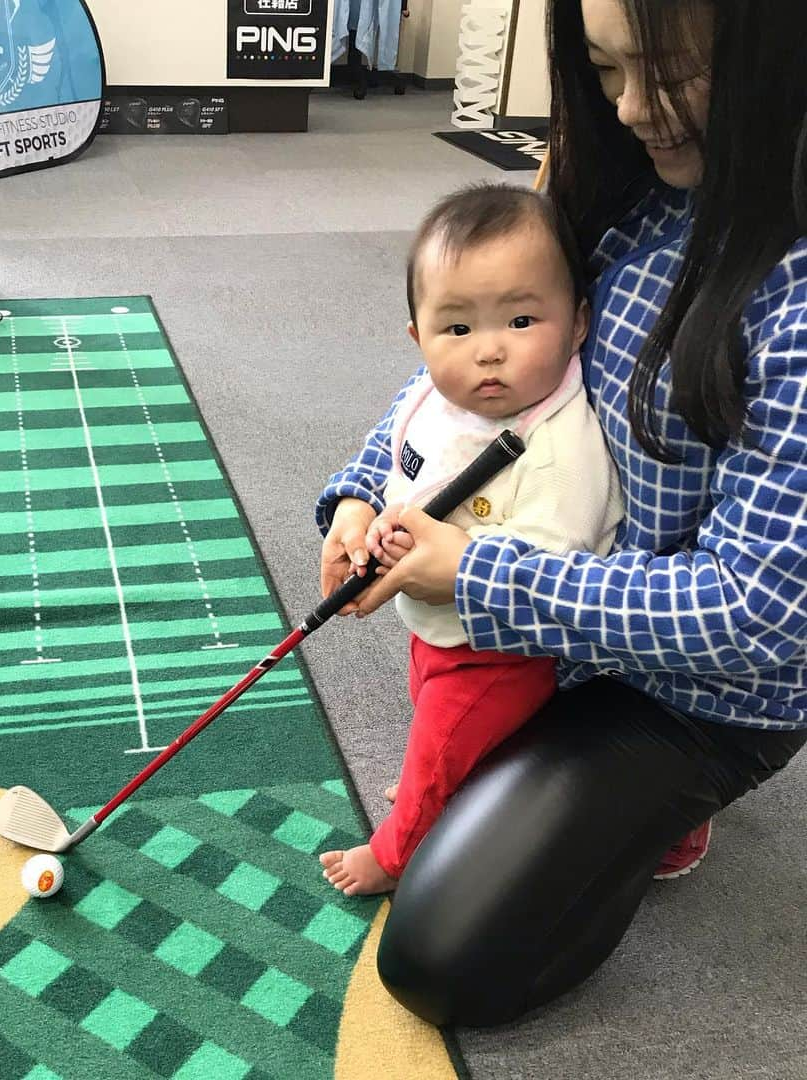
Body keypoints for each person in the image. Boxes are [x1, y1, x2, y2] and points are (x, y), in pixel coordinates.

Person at [317, 0, 806, 1027]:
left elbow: (756, 612)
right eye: (602, 69)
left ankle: (661, 815)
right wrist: (366, 489)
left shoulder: (790, 293)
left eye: (668, 72)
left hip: (699, 694)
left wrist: (477, 574)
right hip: (560, 622)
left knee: (446, 960)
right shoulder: (622, 193)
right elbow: (455, 379)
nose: (632, 109)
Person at [317, 182, 623, 897]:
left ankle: (396, 854)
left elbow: (555, 571)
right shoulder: (431, 397)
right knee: (430, 710)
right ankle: (450, 772)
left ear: (578, 322)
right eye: (457, 330)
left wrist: (454, 569)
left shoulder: (561, 446)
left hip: (503, 652)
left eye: (520, 319)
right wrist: (359, 514)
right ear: (417, 338)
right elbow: (395, 469)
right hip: (435, 627)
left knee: (440, 747)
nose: (487, 352)